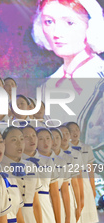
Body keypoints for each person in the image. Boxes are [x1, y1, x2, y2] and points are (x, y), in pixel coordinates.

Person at [32, 0, 104, 159]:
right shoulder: (47, 85)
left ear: (91, 27)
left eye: (69, 22)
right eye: (48, 22)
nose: (56, 32)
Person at [66, 121, 98, 223]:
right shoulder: (65, 150)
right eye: (71, 130)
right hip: (72, 187)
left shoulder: (86, 148)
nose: (75, 132)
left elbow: (90, 170)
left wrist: (92, 187)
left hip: (85, 186)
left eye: (77, 130)